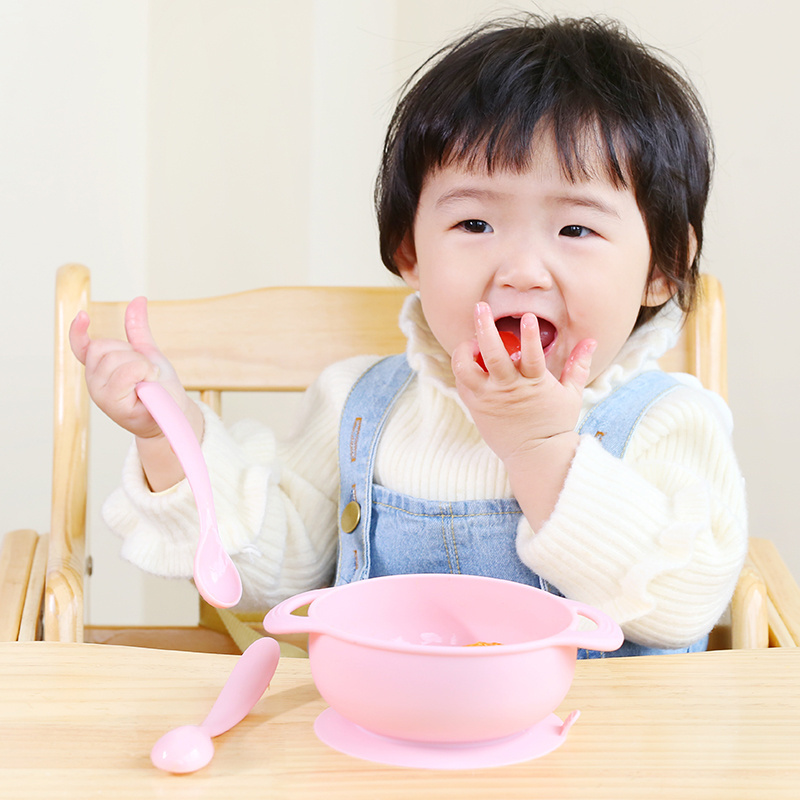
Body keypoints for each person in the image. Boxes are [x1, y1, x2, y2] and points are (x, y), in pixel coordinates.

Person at [69, 15, 747, 657]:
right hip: (385, 747)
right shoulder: (362, 405)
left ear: (663, 267)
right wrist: (168, 431)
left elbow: (684, 605)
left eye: (576, 229)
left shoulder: (668, 421)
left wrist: (543, 452)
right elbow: (273, 573)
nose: (520, 269)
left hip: (605, 765)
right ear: (409, 252)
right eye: (475, 225)